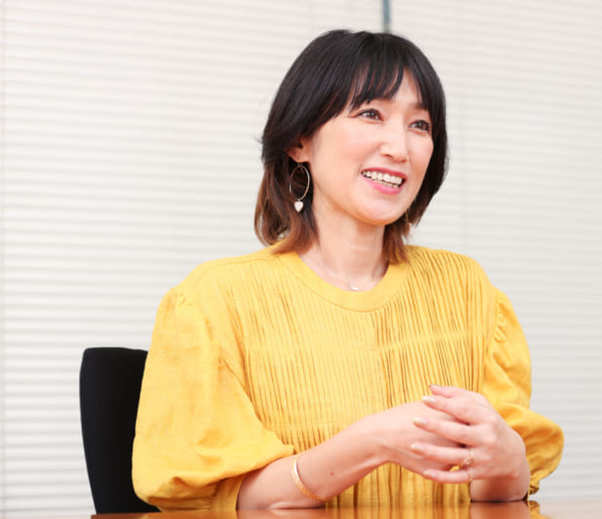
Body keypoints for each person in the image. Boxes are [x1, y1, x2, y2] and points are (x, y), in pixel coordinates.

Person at [132, 29, 563, 511]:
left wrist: (508, 459)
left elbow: (498, 498)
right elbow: (219, 504)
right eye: (371, 114)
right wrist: (369, 443)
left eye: (420, 125)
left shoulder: (467, 289)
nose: (399, 148)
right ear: (299, 140)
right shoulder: (212, 301)